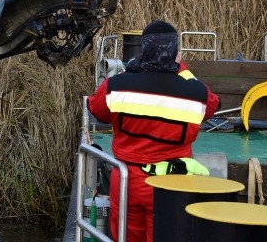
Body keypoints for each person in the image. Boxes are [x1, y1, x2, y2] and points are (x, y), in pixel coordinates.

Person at [88, 20, 221, 242]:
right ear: (176, 53)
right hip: (172, 185)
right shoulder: (195, 93)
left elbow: (97, 109)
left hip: (127, 180)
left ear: (143, 51)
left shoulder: (117, 86)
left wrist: (131, 72)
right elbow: (212, 106)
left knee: (124, 236)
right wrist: (183, 72)